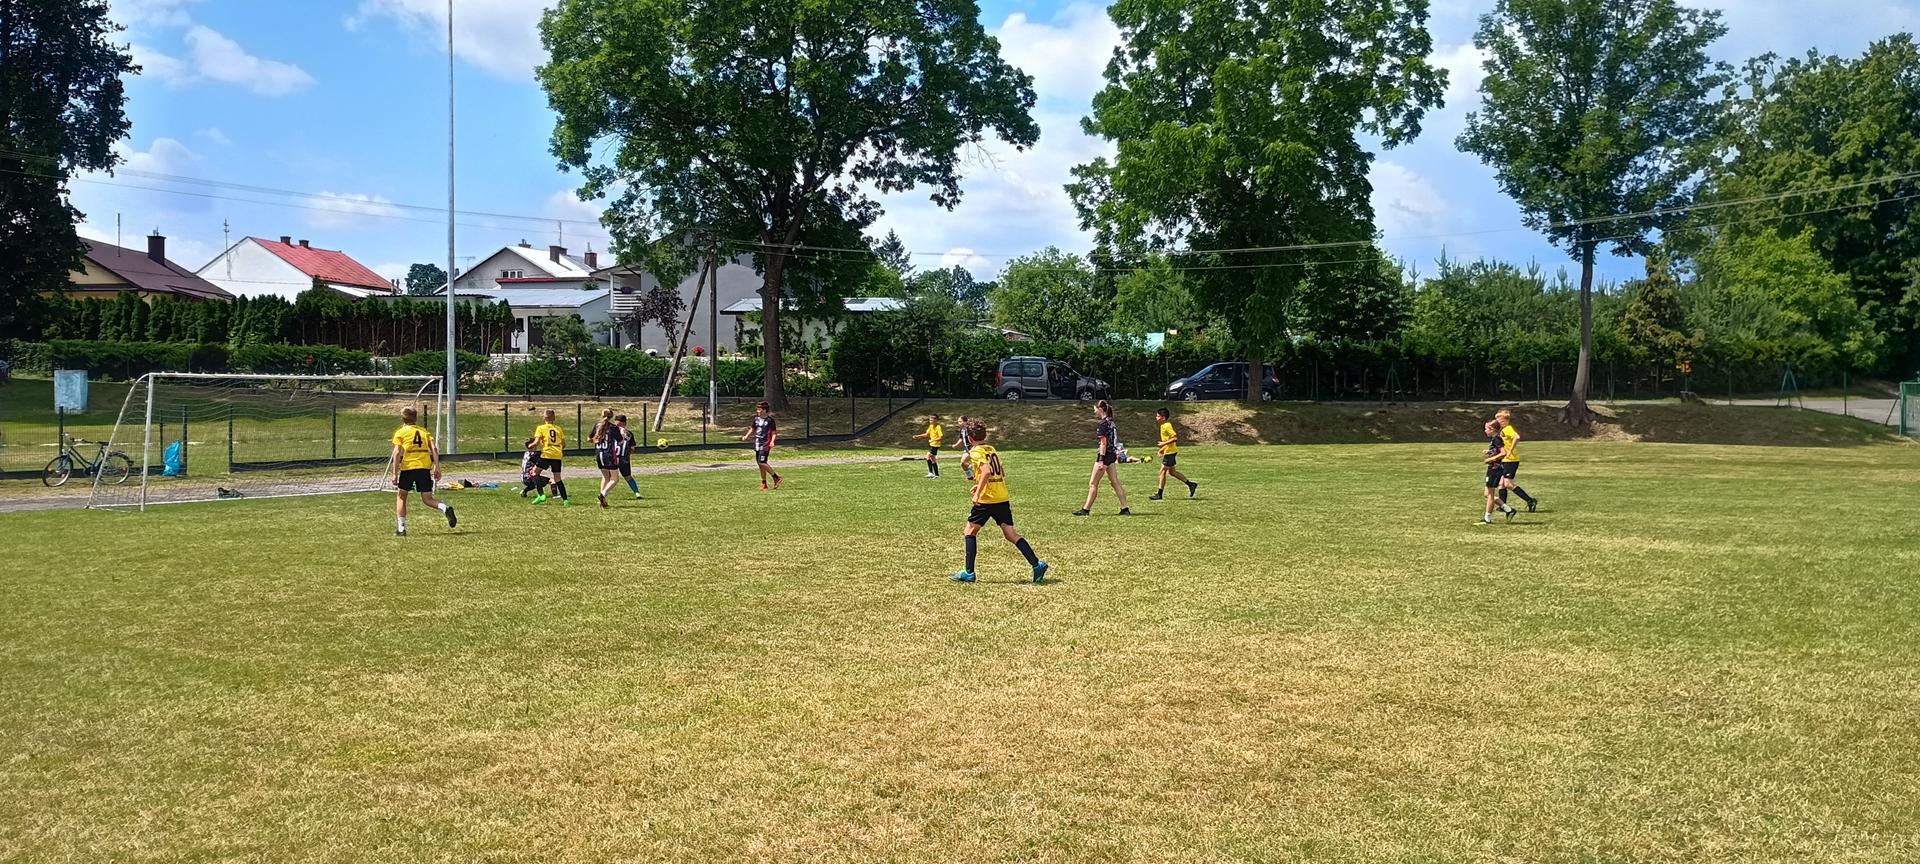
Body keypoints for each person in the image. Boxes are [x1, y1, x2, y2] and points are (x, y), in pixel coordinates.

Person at [951, 420, 1049, 584]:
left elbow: (986, 472)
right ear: (984, 435)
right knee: (1011, 534)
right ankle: (1037, 565)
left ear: (969, 438)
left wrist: (978, 493)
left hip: (987, 500)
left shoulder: (975, 451)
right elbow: (1001, 472)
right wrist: (979, 484)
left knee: (969, 531)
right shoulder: (991, 449)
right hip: (1001, 497)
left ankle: (968, 573)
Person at [388, 406, 455, 536]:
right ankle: (444, 508)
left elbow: (396, 452)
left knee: (401, 497)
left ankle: (401, 529)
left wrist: (394, 473)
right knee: (427, 499)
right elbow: (434, 449)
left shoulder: (401, 432)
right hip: (424, 468)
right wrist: (437, 467)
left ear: (402, 419)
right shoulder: (424, 432)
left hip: (408, 468)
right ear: (416, 418)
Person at [1073, 400, 1131, 516]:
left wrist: (1100, 459)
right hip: (1111, 455)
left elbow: (1104, 443)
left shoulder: (1103, 424)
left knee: (1093, 483)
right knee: (1114, 482)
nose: (1094, 411)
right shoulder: (1111, 422)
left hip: (1105, 456)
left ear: (1100, 409)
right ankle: (1125, 508)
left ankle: (1086, 509)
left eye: (1095, 409)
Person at [1493, 409, 1538, 513]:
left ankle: (1530, 501)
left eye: (1499, 420)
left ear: (1505, 420)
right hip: (1505, 459)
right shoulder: (1503, 430)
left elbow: (1517, 437)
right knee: (1501, 483)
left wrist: (1510, 450)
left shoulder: (1508, 429)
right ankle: (1503, 506)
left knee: (1508, 484)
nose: (1497, 422)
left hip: (1511, 460)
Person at [1150, 407, 1198, 500]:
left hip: (1170, 453)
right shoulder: (1163, 426)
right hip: (1170, 451)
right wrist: (1162, 449)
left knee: (1162, 472)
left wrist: (1163, 444)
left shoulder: (1167, 426)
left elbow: (1174, 438)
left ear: (1163, 417)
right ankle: (1191, 484)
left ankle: (1159, 494)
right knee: (1172, 472)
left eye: (1158, 416)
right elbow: (1169, 441)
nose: (1156, 417)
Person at [1479, 420, 1516, 524]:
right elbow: (1498, 451)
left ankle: (1487, 518)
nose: (1485, 430)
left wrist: (1491, 459)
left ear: (1492, 429)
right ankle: (1509, 510)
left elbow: (1503, 453)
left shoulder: (1496, 439)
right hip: (1493, 468)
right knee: (1487, 494)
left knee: (1490, 494)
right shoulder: (1494, 439)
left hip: (1495, 469)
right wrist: (1490, 452)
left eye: (1486, 428)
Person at [530, 408, 570, 505]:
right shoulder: (558, 429)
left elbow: (536, 442)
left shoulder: (541, 428)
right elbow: (563, 444)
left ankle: (541, 495)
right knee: (558, 478)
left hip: (547, 454)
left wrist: (531, 445)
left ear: (544, 418)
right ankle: (565, 500)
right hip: (557, 455)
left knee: (534, 472)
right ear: (554, 418)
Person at [741, 401, 783, 490]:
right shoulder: (756, 419)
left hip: (765, 444)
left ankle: (776, 477)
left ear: (764, 410)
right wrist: (746, 436)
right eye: (757, 409)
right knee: (760, 464)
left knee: (762, 462)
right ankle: (764, 483)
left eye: (759, 409)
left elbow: (774, 432)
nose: (757, 411)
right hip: (757, 443)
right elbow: (752, 429)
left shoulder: (770, 421)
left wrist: (772, 441)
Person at [590, 408, 619, 508]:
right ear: (611, 416)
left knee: (605, 477)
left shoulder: (597, 425)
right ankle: (603, 494)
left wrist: (596, 440)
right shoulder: (613, 427)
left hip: (599, 454)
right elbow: (620, 441)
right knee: (615, 479)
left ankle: (602, 501)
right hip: (609, 455)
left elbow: (589, 439)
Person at [613, 414, 641, 499]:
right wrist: (628, 455)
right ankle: (637, 492)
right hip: (624, 458)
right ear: (625, 424)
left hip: (612, 458)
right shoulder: (629, 434)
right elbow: (632, 448)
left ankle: (603, 494)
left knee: (609, 478)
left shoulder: (611, 432)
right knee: (628, 476)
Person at [911, 414, 945, 478]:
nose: (930, 421)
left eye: (932, 420)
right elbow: (926, 434)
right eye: (930, 420)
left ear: (936, 420)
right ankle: (936, 474)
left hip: (936, 445)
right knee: (933, 459)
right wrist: (918, 436)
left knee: (928, 456)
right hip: (932, 444)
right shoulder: (931, 426)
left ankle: (931, 473)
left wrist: (933, 440)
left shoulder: (938, 427)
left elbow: (941, 437)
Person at [953, 415, 975, 481]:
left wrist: (974, 447)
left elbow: (974, 439)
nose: (959, 423)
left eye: (960, 421)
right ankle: (970, 477)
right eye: (958, 422)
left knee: (964, 462)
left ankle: (975, 472)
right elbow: (961, 438)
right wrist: (956, 445)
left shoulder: (970, 429)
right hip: (967, 448)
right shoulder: (962, 430)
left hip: (972, 448)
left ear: (965, 422)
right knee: (963, 464)